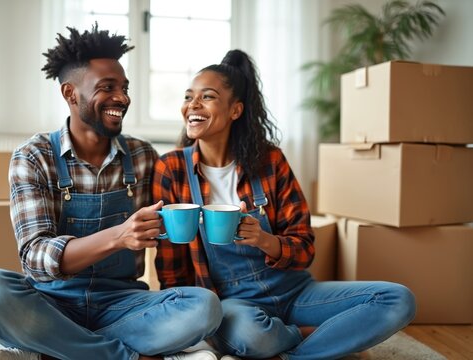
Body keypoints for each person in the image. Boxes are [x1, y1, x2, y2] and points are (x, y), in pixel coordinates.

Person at [0, 23, 223, 360]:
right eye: (107, 87)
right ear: (71, 94)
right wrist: (118, 236)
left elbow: (169, 230)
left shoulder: (143, 155)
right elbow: (35, 257)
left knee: (204, 307)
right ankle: (125, 355)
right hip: (52, 302)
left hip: (122, 303)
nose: (122, 98)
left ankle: (51, 350)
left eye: (124, 87)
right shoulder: (34, 156)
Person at [152, 49, 416, 360]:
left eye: (206, 97)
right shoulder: (171, 169)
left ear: (235, 110)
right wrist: (190, 318)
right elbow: (171, 262)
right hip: (235, 302)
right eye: (188, 97)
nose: (192, 105)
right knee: (253, 336)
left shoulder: (269, 160)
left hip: (296, 292)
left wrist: (265, 240)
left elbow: (305, 246)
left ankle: (288, 354)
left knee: (397, 299)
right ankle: (307, 338)